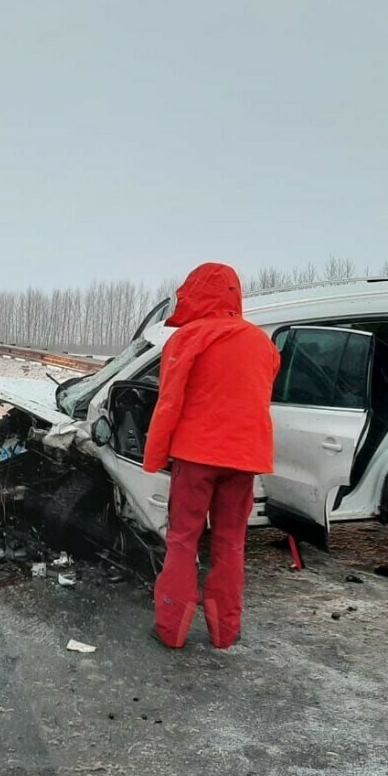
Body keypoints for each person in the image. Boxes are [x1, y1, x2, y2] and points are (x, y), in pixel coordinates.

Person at [142, 262, 280, 650]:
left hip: (197, 456)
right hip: (245, 458)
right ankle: (226, 633)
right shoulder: (262, 343)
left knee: (183, 540)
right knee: (231, 543)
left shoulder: (190, 337)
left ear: (195, 293)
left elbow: (168, 403)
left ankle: (172, 631)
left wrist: (155, 458)